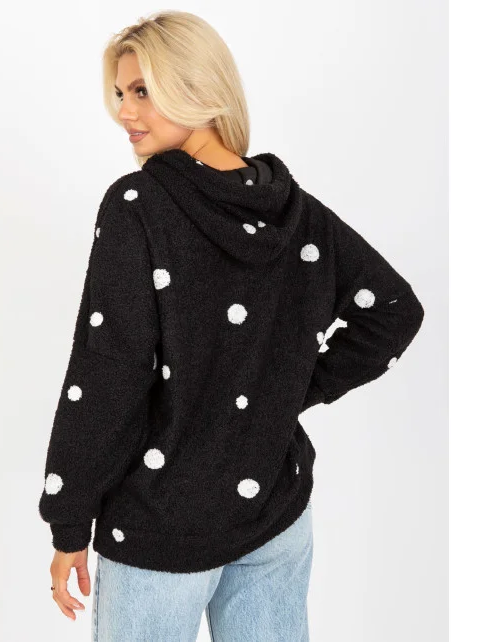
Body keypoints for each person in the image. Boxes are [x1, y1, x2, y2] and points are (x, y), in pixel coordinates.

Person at [38, 10, 425, 642]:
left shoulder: (139, 205)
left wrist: (68, 521)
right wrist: (280, 393)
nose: (125, 112)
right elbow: (393, 311)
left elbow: (110, 377)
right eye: (121, 93)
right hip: (274, 508)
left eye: (143, 91)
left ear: (198, 91)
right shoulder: (292, 211)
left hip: (162, 526)